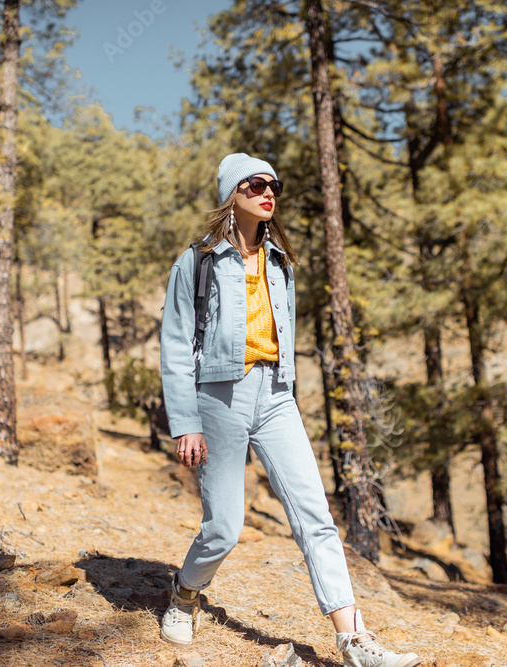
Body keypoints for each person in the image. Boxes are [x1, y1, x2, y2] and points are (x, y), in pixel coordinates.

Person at [158, 153, 421, 667]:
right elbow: (173, 345)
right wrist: (185, 422)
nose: (267, 192)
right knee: (224, 529)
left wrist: (288, 389)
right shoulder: (196, 260)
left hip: (277, 396)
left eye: (273, 184)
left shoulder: (281, 260)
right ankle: (185, 592)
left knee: (316, 517)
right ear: (232, 194)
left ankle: (353, 640)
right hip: (219, 397)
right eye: (254, 184)